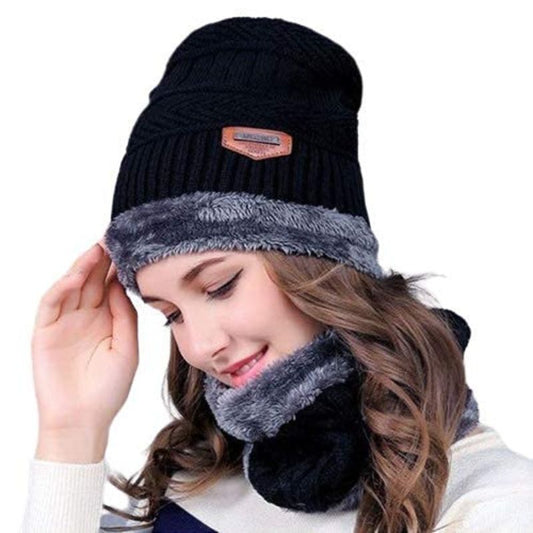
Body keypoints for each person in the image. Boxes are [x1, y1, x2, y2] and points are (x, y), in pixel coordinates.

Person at [20, 16, 533, 533]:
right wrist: (70, 431)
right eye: (171, 315)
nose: (201, 347)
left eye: (220, 286)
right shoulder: (197, 475)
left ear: (322, 260)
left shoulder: (493, 503)